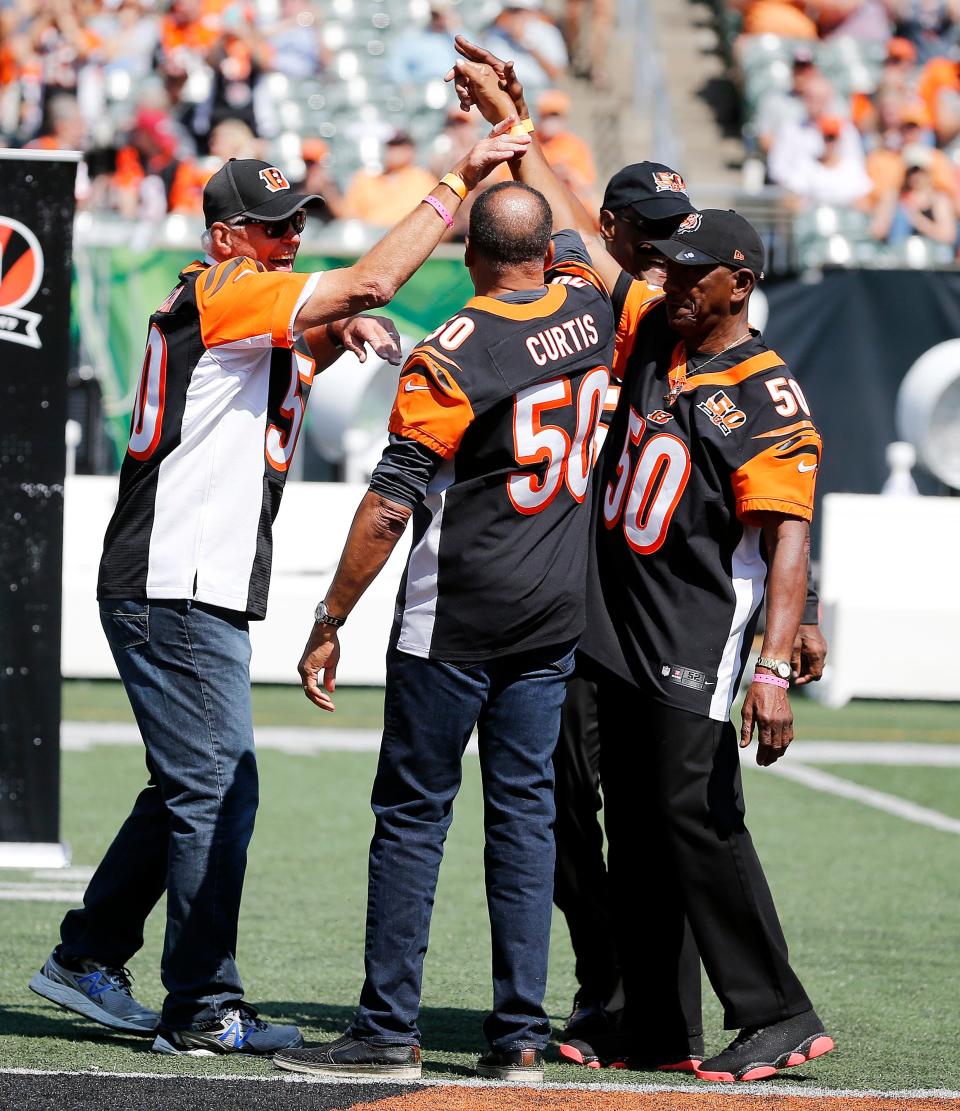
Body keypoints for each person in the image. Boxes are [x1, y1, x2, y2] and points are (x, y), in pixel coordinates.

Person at [28, 124, 529, 1057]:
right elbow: (366, 282)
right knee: (220, 788)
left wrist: (345, 330)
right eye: (269, 229)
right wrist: (455, 182)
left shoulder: (238, 304)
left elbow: (305, 344)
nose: (289, 240)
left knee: (191, 783)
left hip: (186, 580)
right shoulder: (219, 291)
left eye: (295, 222)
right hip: (172, 580)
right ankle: (202, 1005)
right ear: (226, 239)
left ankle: (87, 954)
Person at [450, 46, 835, 1083]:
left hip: (693, 627)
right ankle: (652, 1017)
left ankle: (778, 1009)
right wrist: (516, 129)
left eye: (685, 267)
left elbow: (787, 527)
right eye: (657, 263)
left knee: (689, 814)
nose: (663, 278)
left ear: (736, 282)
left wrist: (774, 654)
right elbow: (578, 229)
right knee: (617, 817)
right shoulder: (658, 338)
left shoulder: (761, 385)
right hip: (611, 615)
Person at [272, 179, 617, 1085]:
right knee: (526, 819)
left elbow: (391, 505)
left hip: (456, 610)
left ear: (469, 257)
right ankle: (520, 1038)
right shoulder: (586, 304)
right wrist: (516, 123)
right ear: (544, 252)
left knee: (413, 817)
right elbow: (578, 245)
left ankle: (387, 1024)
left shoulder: (453, 354)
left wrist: (329, 616)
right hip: (553, 611)